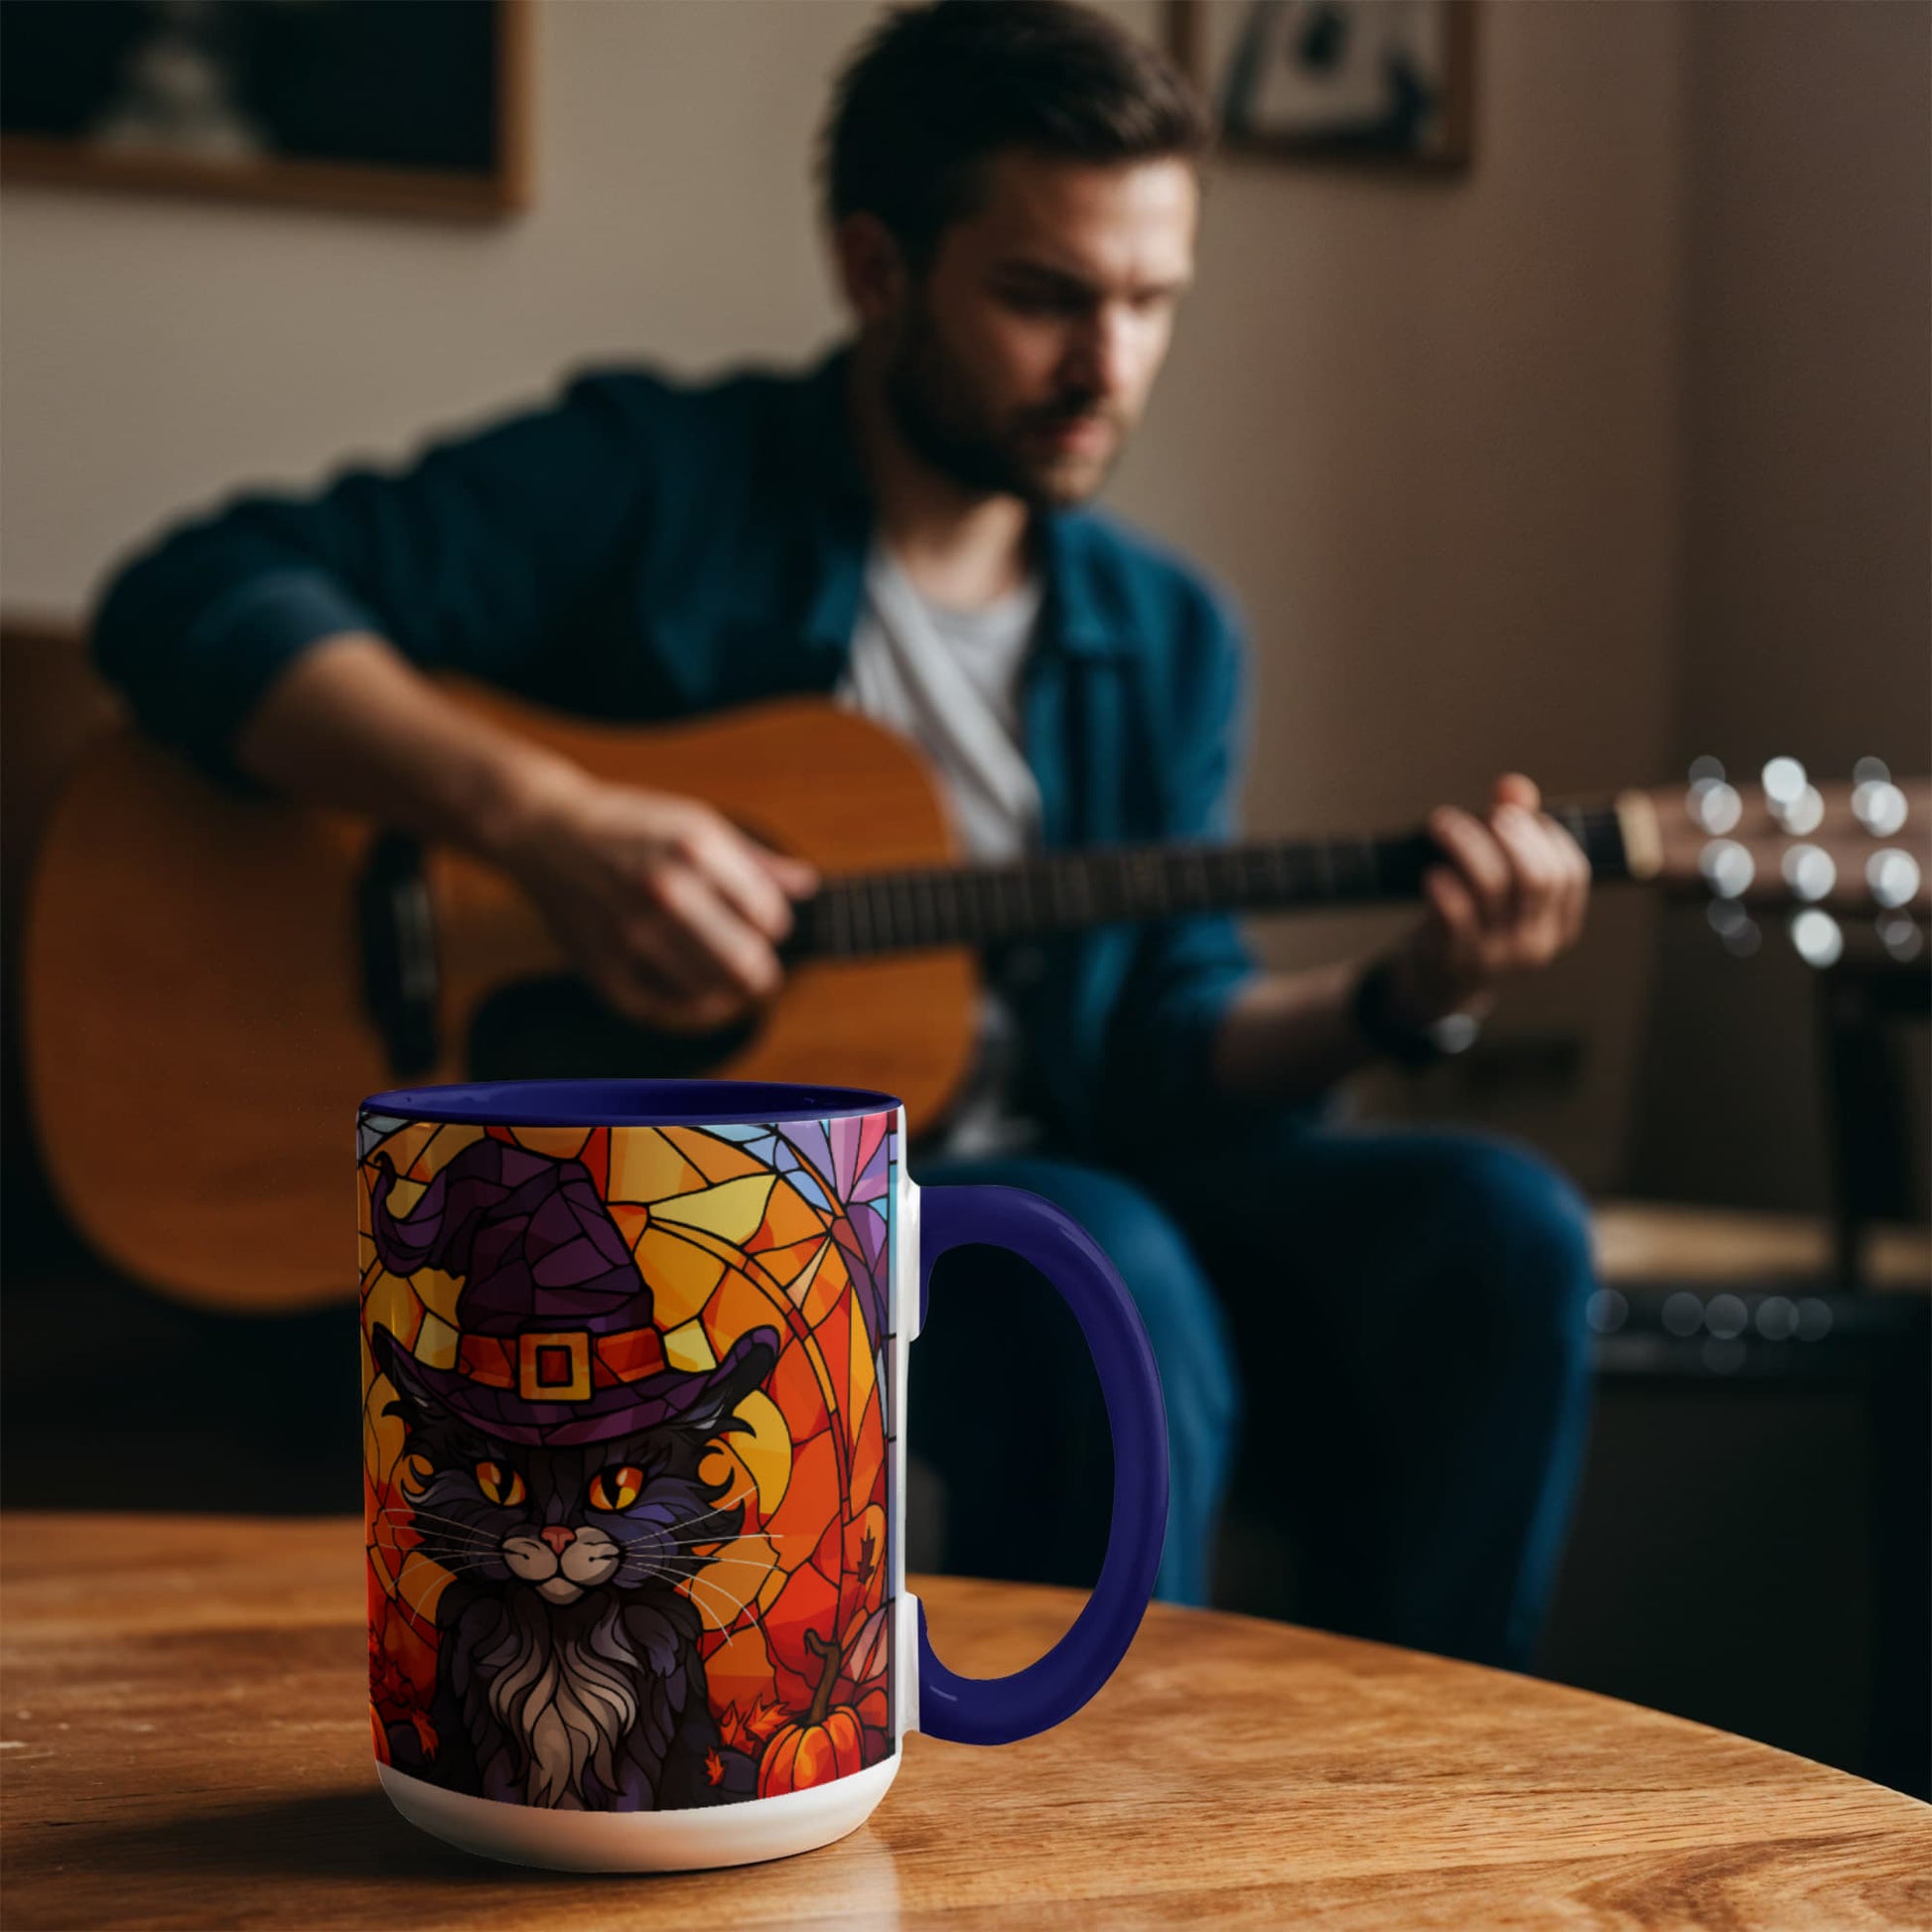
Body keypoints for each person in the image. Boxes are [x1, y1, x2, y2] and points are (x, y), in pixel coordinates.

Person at [92, 0, 1595, 1669]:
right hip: (731, 1201)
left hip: (1083, 1166)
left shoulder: (1168, 633)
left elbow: (1173, 1032)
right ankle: (1087, 1814)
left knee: (1501, 1224)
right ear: (877, 269)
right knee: (1102, 1250)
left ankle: (1439, 1774)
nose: (1110, 366)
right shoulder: (657, 483)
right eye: (1045, 298)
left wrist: (1405, 993)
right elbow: (196, 590)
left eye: (1151, 302)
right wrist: (549, 819)